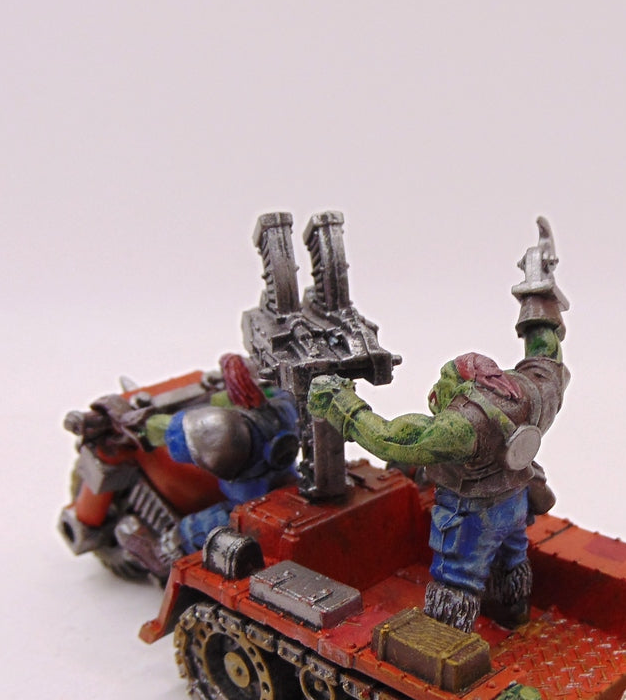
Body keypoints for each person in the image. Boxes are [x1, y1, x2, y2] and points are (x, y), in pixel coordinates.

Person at [308, 219, 569, 631]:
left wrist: (340, 403)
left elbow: (393, 441)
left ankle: (447, 645)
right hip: (515, 504)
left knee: (456, 581)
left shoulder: (461, 426)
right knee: (511, 562)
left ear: (462, 386)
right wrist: (537, 288)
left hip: (472, 517)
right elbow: (546, 349)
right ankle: (512, 615)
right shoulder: (534, 391)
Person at [129, 353, 299, 566]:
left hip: (246, 506)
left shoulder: (228, 429)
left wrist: (144, 425)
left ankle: (161, 554)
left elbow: (175, 435)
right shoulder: (283, 409)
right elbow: (288, 395)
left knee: (194, 528)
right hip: (288, 488)